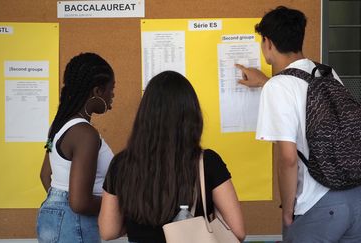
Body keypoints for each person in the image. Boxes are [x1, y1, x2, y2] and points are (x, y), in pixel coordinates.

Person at [236, 6, 361, 242]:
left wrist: (287, 210)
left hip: (318, 205)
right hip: (354, 197)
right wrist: (265, 81)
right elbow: (306, 101)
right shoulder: (326, 73)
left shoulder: (278, 87)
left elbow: (288, 158)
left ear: (268, 43)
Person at [98, 71, 245, 243]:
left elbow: (108, 231)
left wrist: (136, 222)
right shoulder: (207, 163)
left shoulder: (122, 164)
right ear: (191, 116)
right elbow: (238, 232)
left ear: (145, 115)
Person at [36, 52, 115, 243]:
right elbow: (80, 203)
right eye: (111, 89)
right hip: (74, 223)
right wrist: (119, 204)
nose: (113, 95)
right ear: (97, 92)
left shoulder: (58, 126)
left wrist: (59, 203)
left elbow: (45, 175)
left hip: (52, 218)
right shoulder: (85, 134)